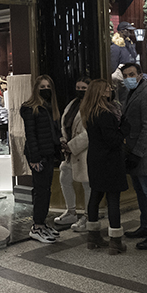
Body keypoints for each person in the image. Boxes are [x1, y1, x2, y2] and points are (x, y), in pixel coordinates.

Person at [118, 63, 147, 250]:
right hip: (132, 152)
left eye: (132, 74)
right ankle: (145, 226)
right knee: (141, 193)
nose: (129, 78)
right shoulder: (129, 93)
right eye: (125, 75)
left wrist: (137, 153)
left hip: (143, 153)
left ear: (140, 75)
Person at [82, 78, 129, 255]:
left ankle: (93, 236)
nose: (110, 89)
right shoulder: (106, 114)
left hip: (95, 159)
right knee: (113, 199)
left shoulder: (89, 112)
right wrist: (124, 128)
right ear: (100, 92)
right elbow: (113, 140)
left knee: (95, 196)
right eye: (106, 87)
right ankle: (115, 241)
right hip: (110, 161)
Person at [21, 75, 63, 243]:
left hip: (48, 153)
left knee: (46, 190)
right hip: (38, 156)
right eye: (42, 86)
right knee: (41, 190)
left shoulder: (49, 107)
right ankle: (37, 225)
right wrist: (35, 158)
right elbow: (30, 134)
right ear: (36, 88)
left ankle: (42, 223)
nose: (45, 89)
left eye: (48, 86)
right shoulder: (30, 108)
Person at [57, 78, 91, 230]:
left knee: (87, 184)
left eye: (83, 87)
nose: (80, 90)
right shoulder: (73, 104)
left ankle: (88, 216)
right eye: (78, 87)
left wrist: (72, 145)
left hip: (84, 152)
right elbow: (65, 123)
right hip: (70, 152)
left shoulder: (92, 106)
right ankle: (71, 211)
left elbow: (88, 133)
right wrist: (64, 140)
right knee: (64, 177)